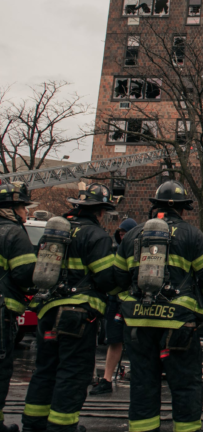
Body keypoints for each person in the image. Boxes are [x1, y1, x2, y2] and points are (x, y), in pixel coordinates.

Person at [114, 181, 203, 432]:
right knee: (185, 385)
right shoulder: (193, 235)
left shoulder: (132, 236)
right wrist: (201, 306)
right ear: (182, 209)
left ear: (155, 206)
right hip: (178, 324)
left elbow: (115, 280)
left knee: (142, 383)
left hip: (138, 325)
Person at [23, 183, 117, 432]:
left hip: (47, 311)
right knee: (73, 372)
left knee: (45, 369)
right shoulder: (96, 236)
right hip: (78, 316)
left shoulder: (54, 233)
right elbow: (106, 277)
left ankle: (34, 424)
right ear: (99, 212)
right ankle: (62, 427)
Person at [0, 183, 37, 432]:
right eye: (23, 206)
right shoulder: (14, 233)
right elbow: (26, 273)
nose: (25, 212)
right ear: (12, 209)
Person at [91, 218, 137, 396]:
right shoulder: (114, 251)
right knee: (114, 340)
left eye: (126, 233)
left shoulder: (135, 253)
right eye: (121, 234)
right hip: (116, 301)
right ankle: (107, 379)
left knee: (136, 341)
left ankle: (137, 374)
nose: (123, 236)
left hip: (130, 302)